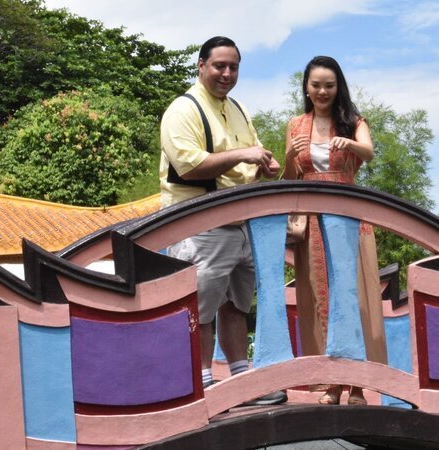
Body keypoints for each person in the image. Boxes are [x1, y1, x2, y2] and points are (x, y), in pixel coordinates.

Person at [160, 36, 285, 404]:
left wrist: (264, 167)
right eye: (219, 66)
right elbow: (188, 165)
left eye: (233, 67)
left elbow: (246, 163)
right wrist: (244, 153)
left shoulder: (238, 108)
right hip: (200, 223)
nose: (227, 74)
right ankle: (202, 383)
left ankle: (240, 382)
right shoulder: (182, 110)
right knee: (200, 305)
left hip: (239, 222)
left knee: (237, 303)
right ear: (201, 66)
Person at [284, 56, 387, 405]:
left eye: (329, 85)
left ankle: (357, 385)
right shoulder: (296, 124)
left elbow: (369, 153)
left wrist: (351, 144)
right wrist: (289, 156)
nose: (323, 91)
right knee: (318, 297)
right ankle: (329, 382)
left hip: (348, 217)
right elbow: (288, 179)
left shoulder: (353, 122)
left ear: (338, 87)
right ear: (307, 88)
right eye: (316, 85)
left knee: (353, 295)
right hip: (312, 220)